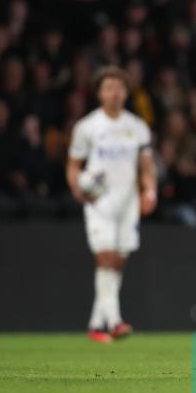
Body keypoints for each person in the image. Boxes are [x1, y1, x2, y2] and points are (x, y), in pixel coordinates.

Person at [67, 66, 157, 343]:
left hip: (127, 202)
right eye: (109, 87)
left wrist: (150, 190)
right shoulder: (87, 127)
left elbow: (145, 166)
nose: (115, 93)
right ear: (99, 93)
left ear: (126, 93)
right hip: (99, 202)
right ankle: (115, 322)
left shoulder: (137, 127)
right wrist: (76, 188)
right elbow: (73, 165)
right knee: (104, 257)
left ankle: (96, 325)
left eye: (119, 88)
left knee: (117, 262)